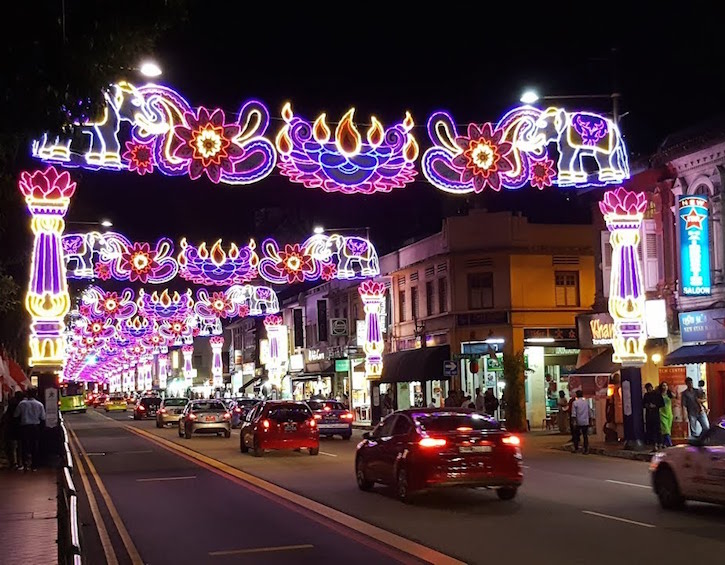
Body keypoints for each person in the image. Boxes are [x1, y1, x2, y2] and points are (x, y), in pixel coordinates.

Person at [14, 388, 46, 471]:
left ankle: (25, 465)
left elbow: (16, 415)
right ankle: (34, 465)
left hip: (24, 427)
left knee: (24, 446)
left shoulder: (22, 404)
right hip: (35, 427)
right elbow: (43, 417)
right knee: (34, 446)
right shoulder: (39, 404)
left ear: (27, 394)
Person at [2, 391, 24, 469]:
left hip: (11, 428)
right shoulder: (21, 405)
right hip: (20, 428)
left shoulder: (11, 406)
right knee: (20, 446)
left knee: (12, 446)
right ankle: (20, 462)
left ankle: (14, 463)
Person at [659, 381, 676, 448]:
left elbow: (675, 397)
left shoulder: (669, 394)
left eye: (666, 385)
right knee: (665, 429)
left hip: (669, 413)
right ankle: (670, 443)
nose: (665, 387)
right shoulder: (659, 395)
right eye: (663, 385)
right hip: (662, 413)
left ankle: (664, 443)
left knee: (668, 430)